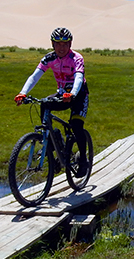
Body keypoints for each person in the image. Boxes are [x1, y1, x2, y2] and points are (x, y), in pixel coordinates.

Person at [14, 27, 89, 175]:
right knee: (44, 103)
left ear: (70, 44)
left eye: (65, 44)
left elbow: (79, 77)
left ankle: (83, 161)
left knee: (76, 125)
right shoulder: (49, 58)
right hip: (62, 94)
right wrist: (23, 93)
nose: (61, 48)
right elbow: (35, 76)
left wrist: (72, 93)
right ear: (52, 44)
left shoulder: (76, 58)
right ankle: (53, 138)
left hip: (78, 95)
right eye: (58, 44)